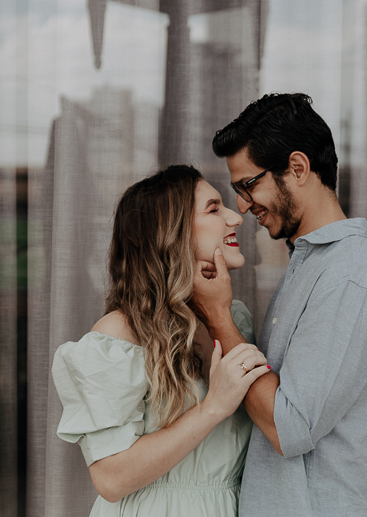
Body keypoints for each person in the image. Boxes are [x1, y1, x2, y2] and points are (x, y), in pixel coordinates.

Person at [191, 93, 367, 516]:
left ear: (298, 168)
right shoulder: (311, 263)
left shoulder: (350, 277)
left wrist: (218, 314)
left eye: (248, 185)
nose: (243, 205)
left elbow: (288, 426)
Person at [52, 165, 270, 516]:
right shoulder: (117, 336)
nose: (235, 218)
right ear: (171, 233)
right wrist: (212, 407)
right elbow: (110, 479)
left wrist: (219, 316)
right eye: (214, 209)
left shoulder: (234, 318)